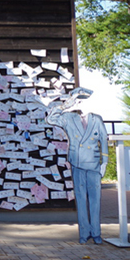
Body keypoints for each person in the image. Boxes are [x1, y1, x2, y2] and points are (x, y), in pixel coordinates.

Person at [46, 87, 108, 245]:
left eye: (83, 100)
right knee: (81, 199)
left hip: (93, 164)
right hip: (77, 162)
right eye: (78, 100)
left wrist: (105, 162)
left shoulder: (97, 119)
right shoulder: (68, 117)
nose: (81, 103)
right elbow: (51, 119)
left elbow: (104, 141)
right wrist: (65, 105)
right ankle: (84, 233)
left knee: (95, 200)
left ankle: (96, 233)